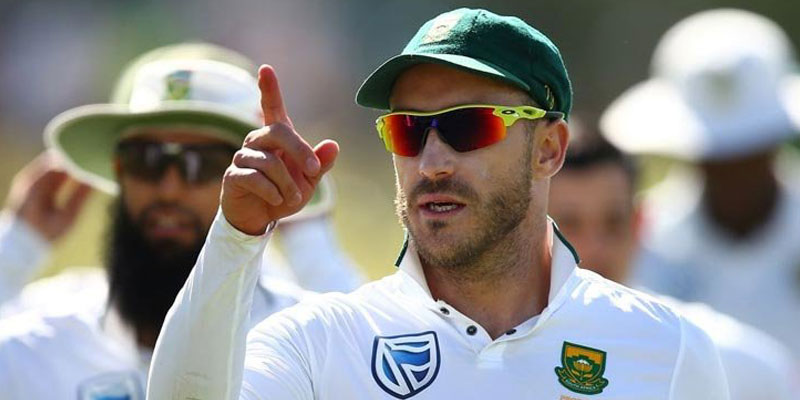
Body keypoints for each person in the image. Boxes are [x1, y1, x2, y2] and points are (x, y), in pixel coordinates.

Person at [147, 8, 729, 399]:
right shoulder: (318, 342)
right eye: (407, 130)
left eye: (468, 126)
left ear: (548, 149)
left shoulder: (668, 349)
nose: (431, 164)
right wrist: (237, 235)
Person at [0, 42, 361, 399]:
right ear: (117, 170)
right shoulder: (35, 349)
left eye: (203, 163)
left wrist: (306, 237)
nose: (169, 190)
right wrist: (18, 247)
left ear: (257, 176)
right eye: (145, 159)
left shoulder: (303, 346)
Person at [600, 9, 800, 356]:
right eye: (717, 159)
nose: (735, 174)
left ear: (774, 144)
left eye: (750, 154)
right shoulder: (644, 241)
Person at [549, 132, 799, 400]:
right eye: (569, 224)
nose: (594, 247)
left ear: (639, 224)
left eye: (614, 222)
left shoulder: (729, 361)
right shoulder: (512, 352)